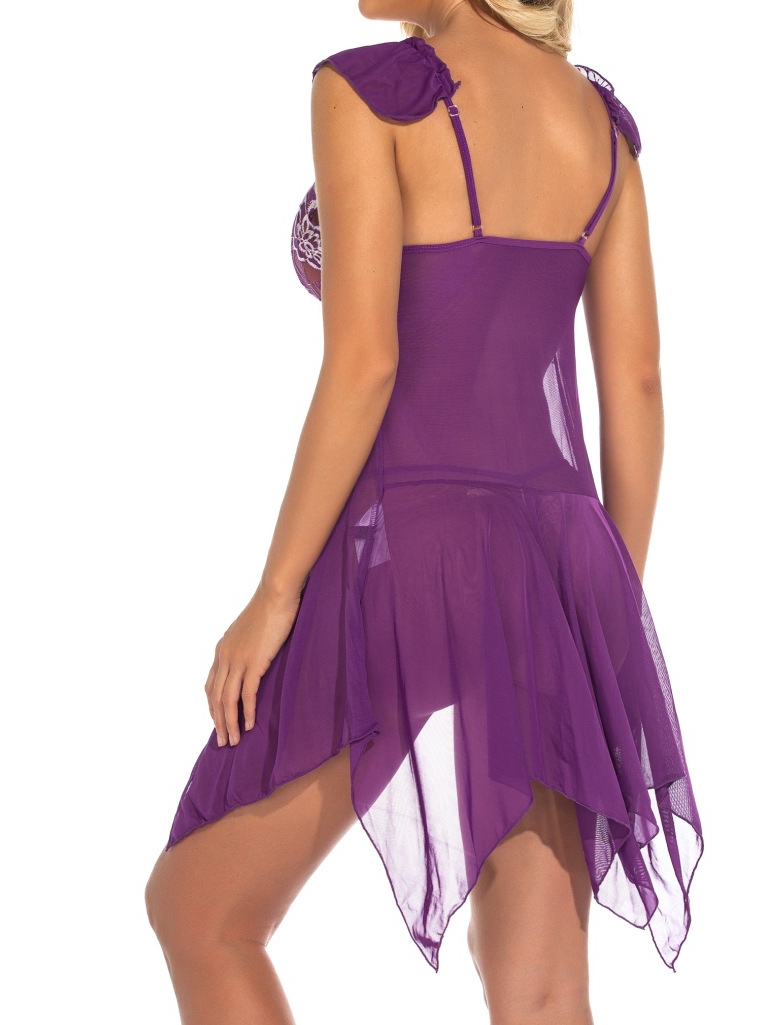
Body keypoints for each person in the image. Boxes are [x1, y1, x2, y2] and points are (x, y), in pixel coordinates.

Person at [145, 1, 704, 1021]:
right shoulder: (600, 129)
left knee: (202, 910)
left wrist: (276, 592)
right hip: (555, 558)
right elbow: (636, 383)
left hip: (412, 543)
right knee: (541, 988)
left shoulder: (367, 92)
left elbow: (364, 362)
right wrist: (604, 610)